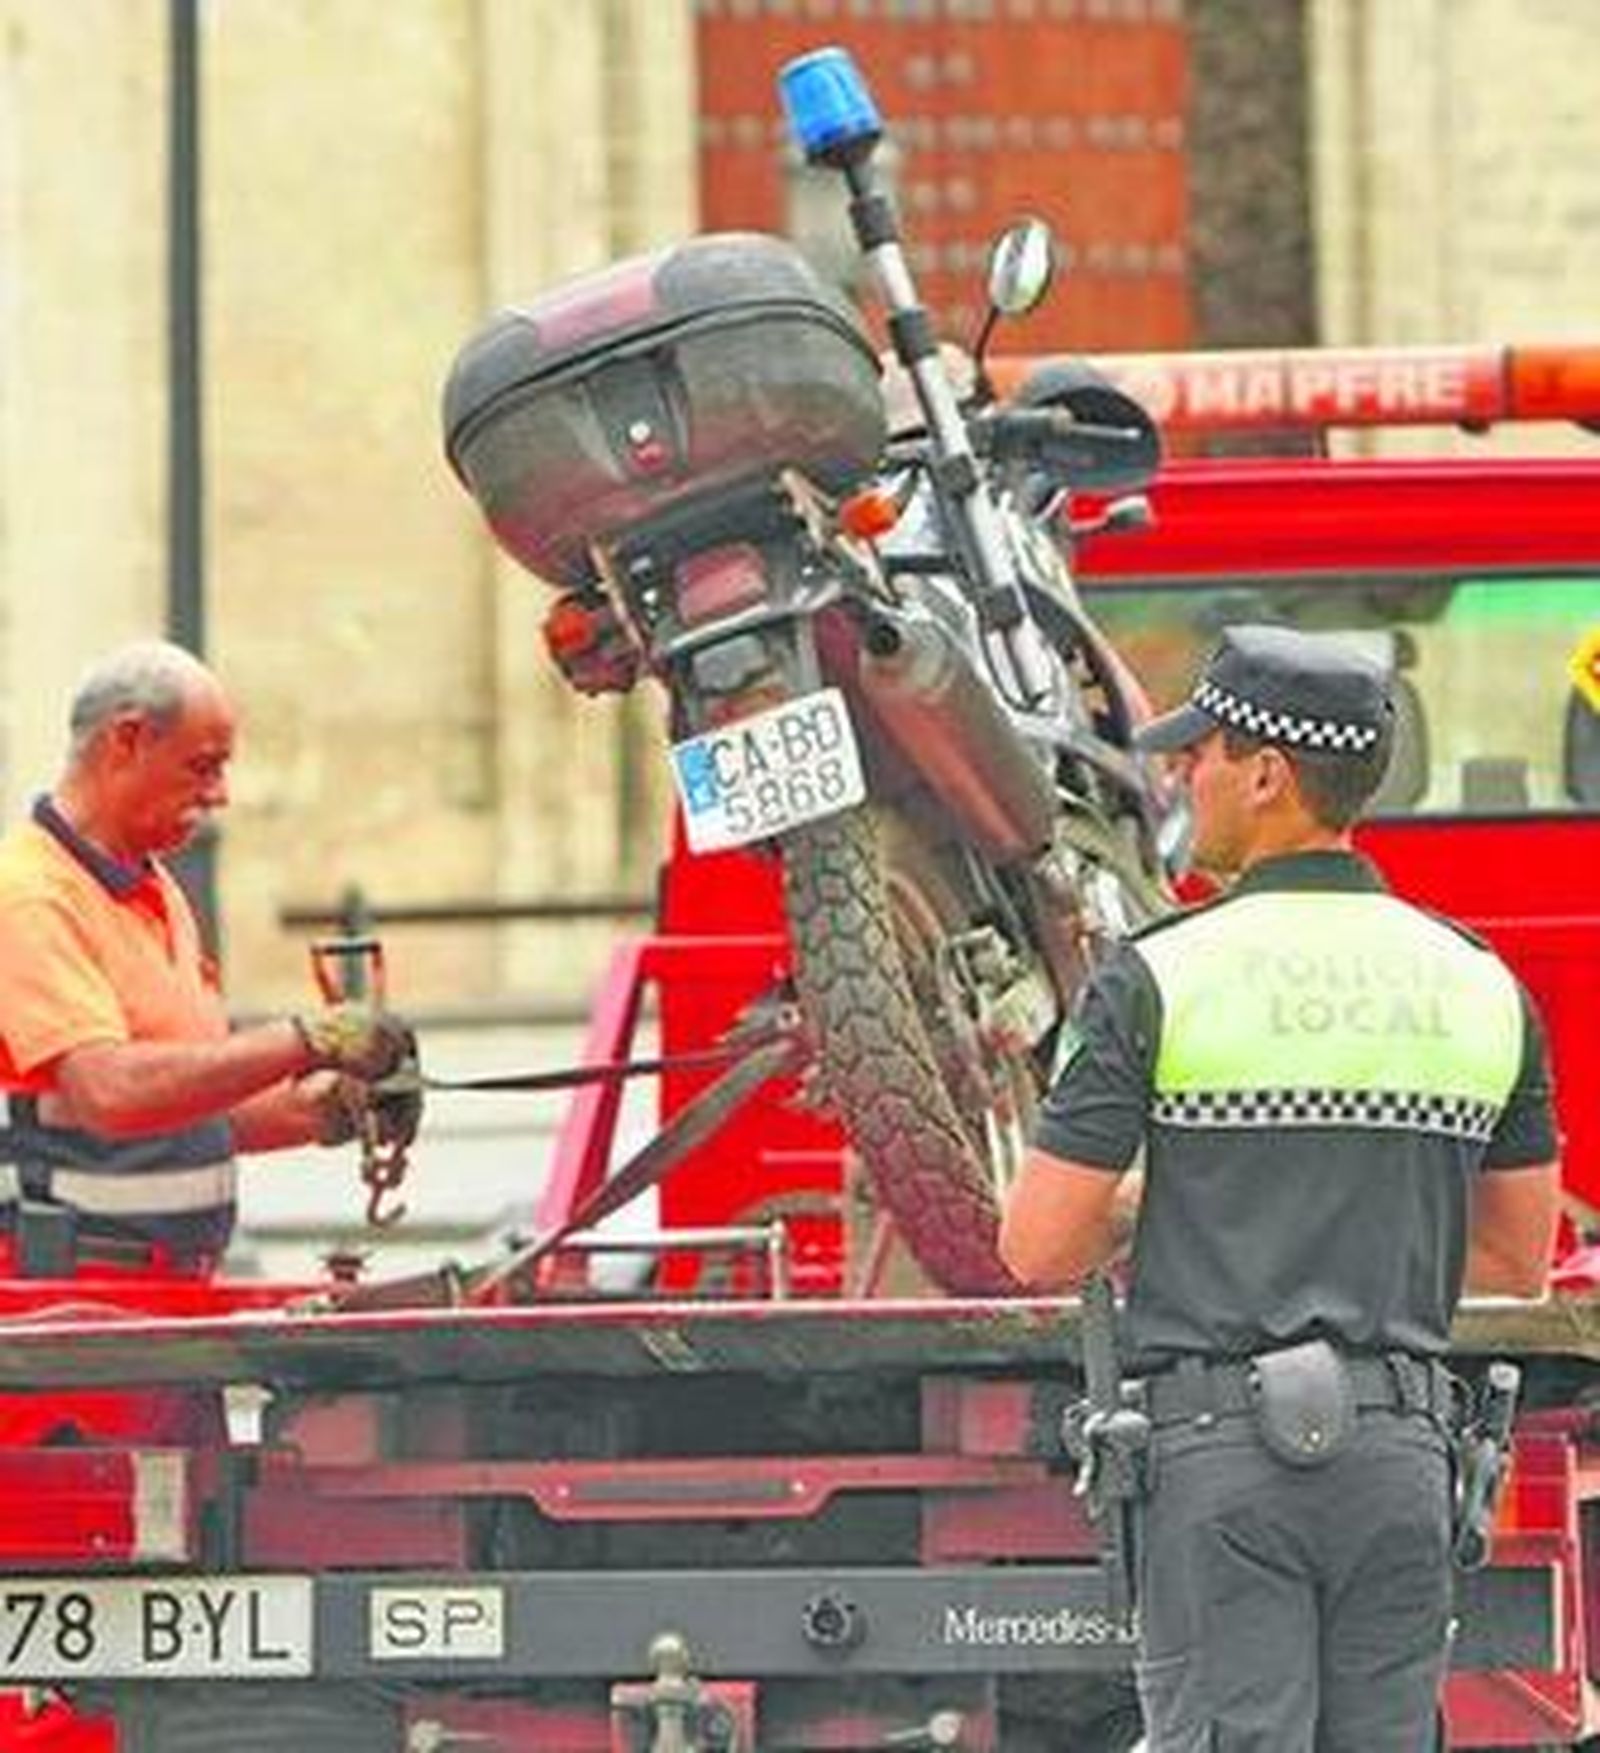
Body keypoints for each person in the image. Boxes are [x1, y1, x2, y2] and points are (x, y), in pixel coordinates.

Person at [999, 624, 1560, 1752]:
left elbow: (1040, 1245)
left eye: (1200, 750)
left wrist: (1178, 1205)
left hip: (1224, 1467)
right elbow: (1515, 1260)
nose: (1181, 774)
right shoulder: (1478, 983)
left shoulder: (1160, 974)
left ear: (1266, 775)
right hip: (1403, 1464)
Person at [0, 640, 421, 1291]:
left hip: (157, 1295)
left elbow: (186, 1110)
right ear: (127, 740)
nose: (220, 794)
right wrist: (308, 1039)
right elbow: (108, 1092)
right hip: (67, 1302)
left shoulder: (156, 892)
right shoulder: (30, 896)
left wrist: (331, 1108)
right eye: (202, 767)